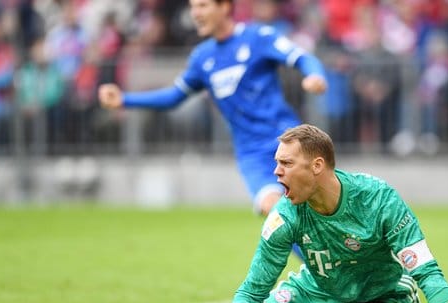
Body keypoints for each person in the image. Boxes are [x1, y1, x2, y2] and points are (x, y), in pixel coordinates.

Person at [199, 124, 448, 303]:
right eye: (277, 163)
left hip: (379, 294)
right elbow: (253, 289)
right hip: (317, 291)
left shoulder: (377, 199)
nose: (276, 172)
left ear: (317, 166)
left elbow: (426, 268)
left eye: (286, 163)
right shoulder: (284, 215)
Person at [98, 0, 327, 218]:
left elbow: (302, 58)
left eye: (203, 5)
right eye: (193, 7)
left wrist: (314, 75)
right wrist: (124, 100)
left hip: (288, 143)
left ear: (225, 6)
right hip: (251, 154)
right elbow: (174, 97)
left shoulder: (258, 37)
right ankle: (318, 259)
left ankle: (332, 257)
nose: (196, 13)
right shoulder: (202, 57)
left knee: (314, 210)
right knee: (277, 213)